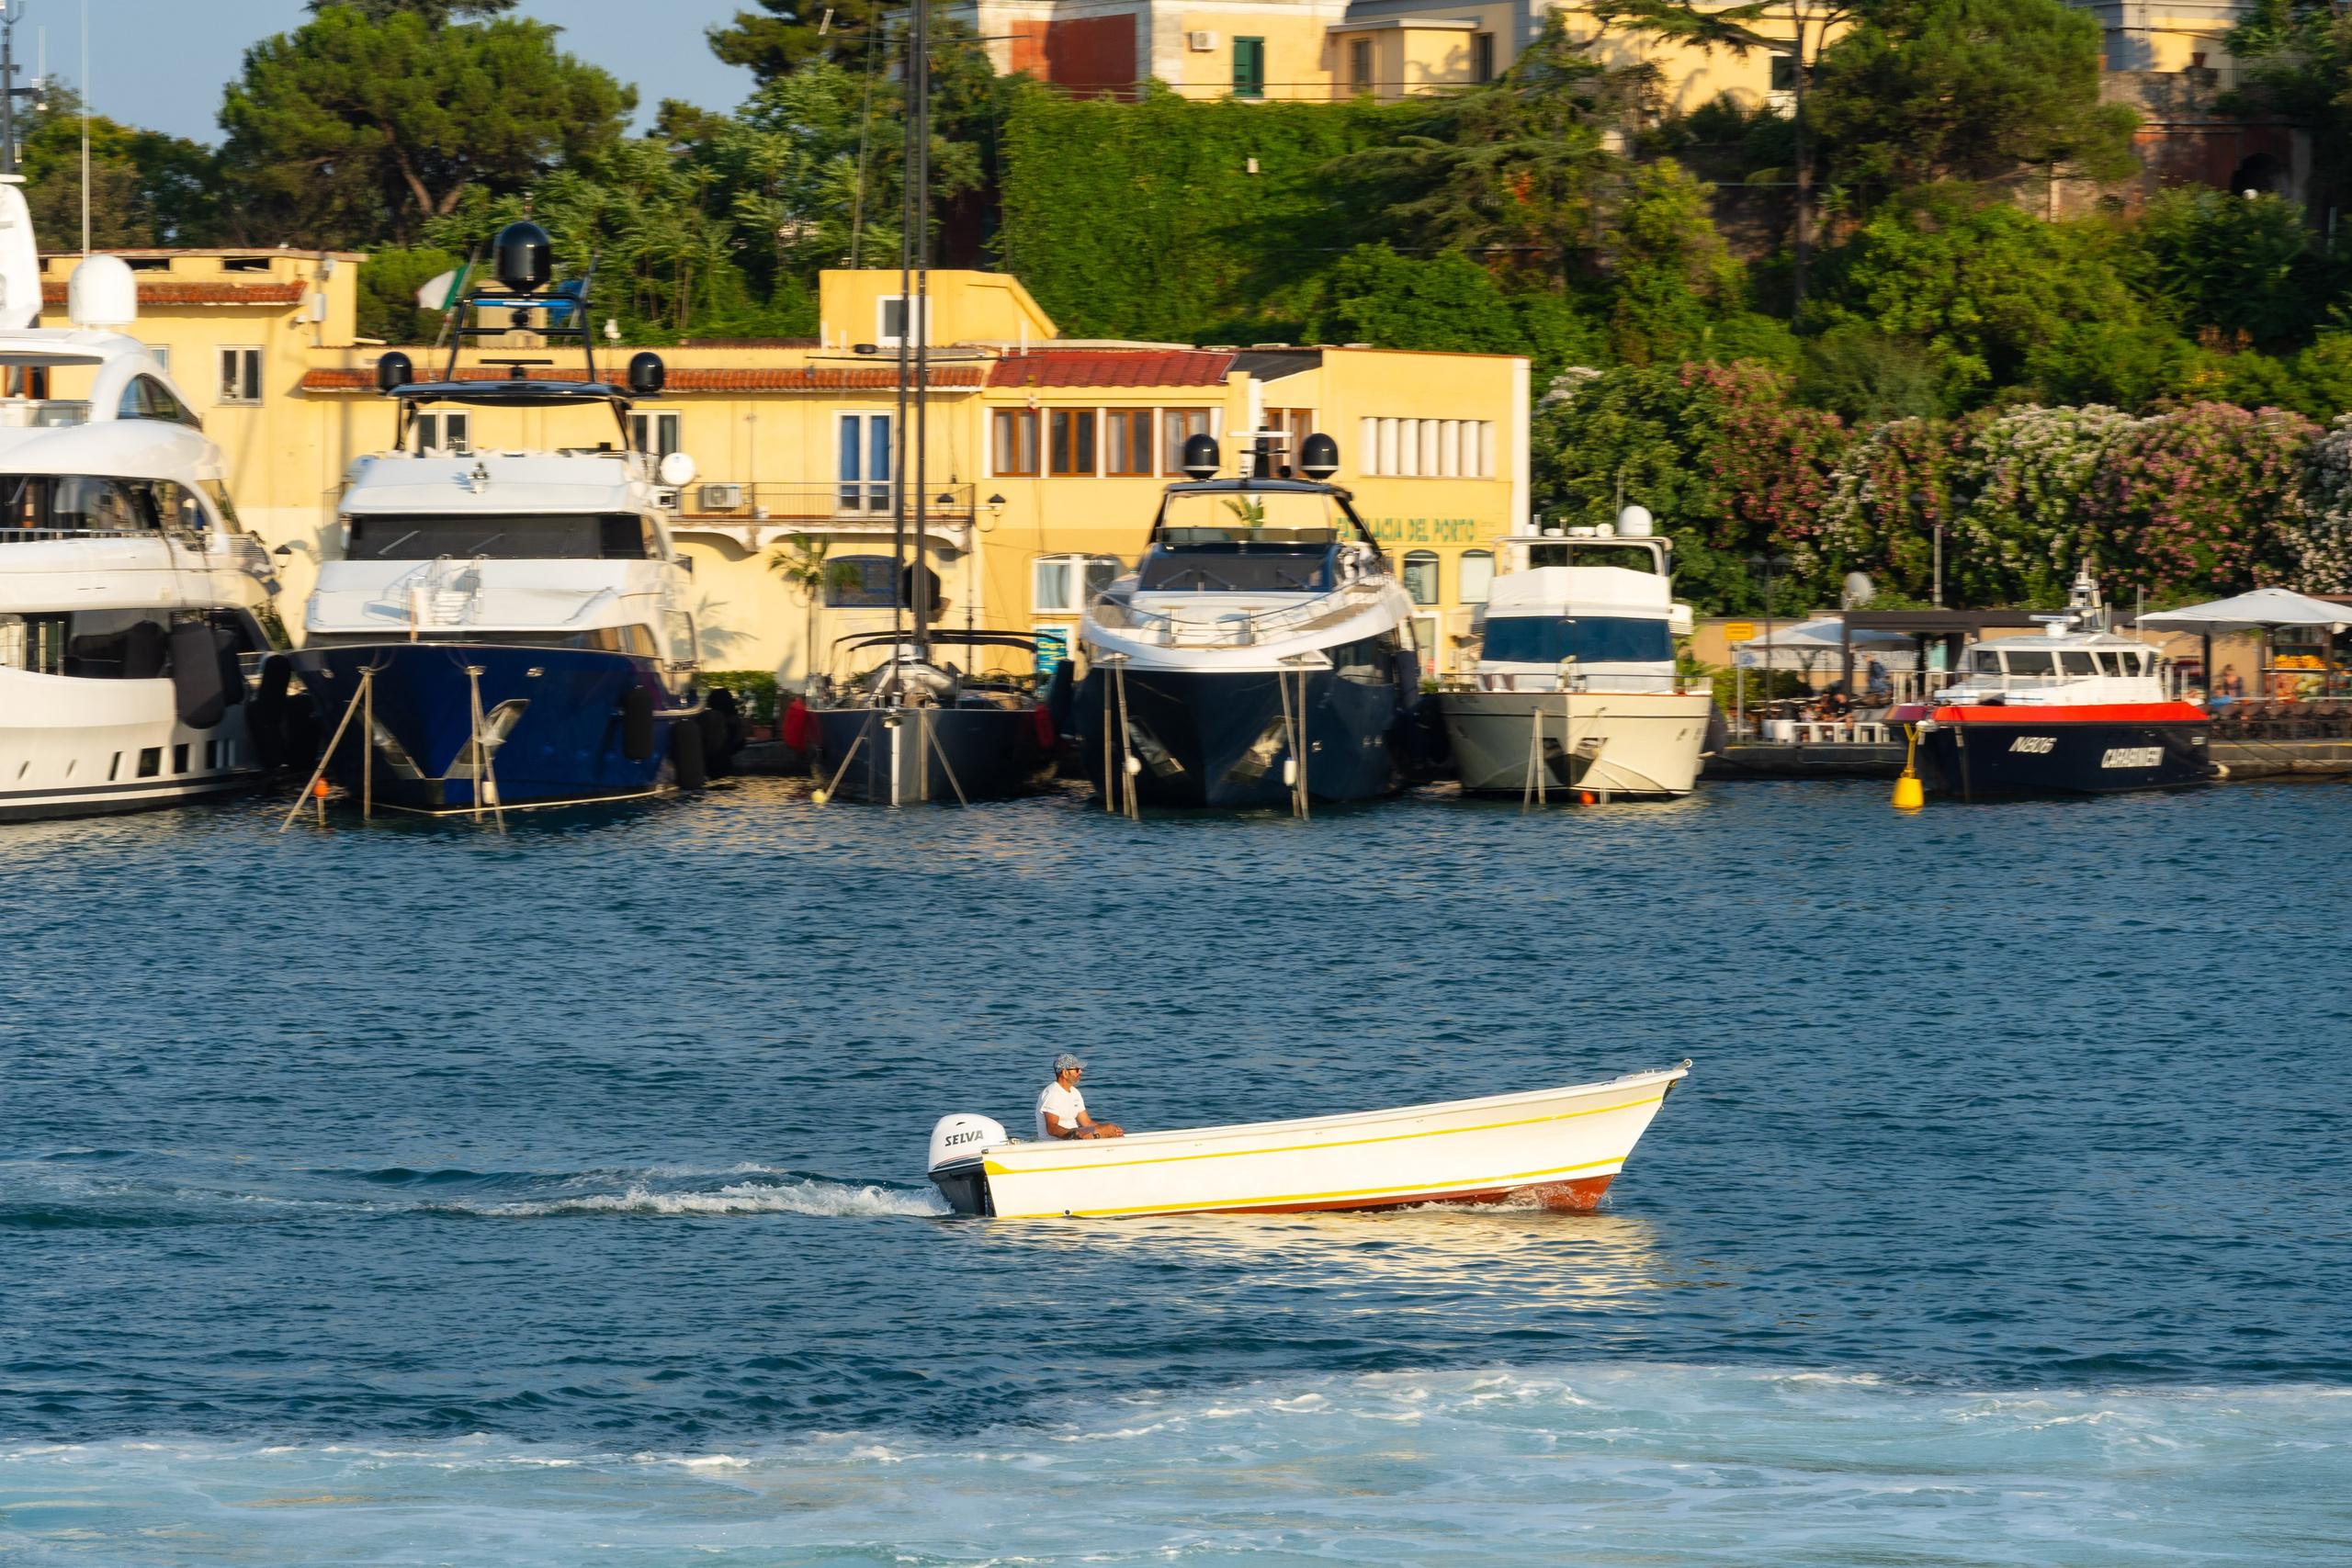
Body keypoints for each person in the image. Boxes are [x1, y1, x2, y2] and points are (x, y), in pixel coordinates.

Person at [1037, 1053, 1123, 1141]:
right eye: (1077, 1069)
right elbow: (1052, 1129)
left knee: (1112, 1129)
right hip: (1056, 1141)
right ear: (1065, 1073)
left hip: (1073, 1136)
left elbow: (1086, 1122)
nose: (1081, 1071)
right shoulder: (1052, 1094)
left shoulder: (1075, 1092)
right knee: (1109, 1129)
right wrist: (1076, 1134)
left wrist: (1112, 1130)